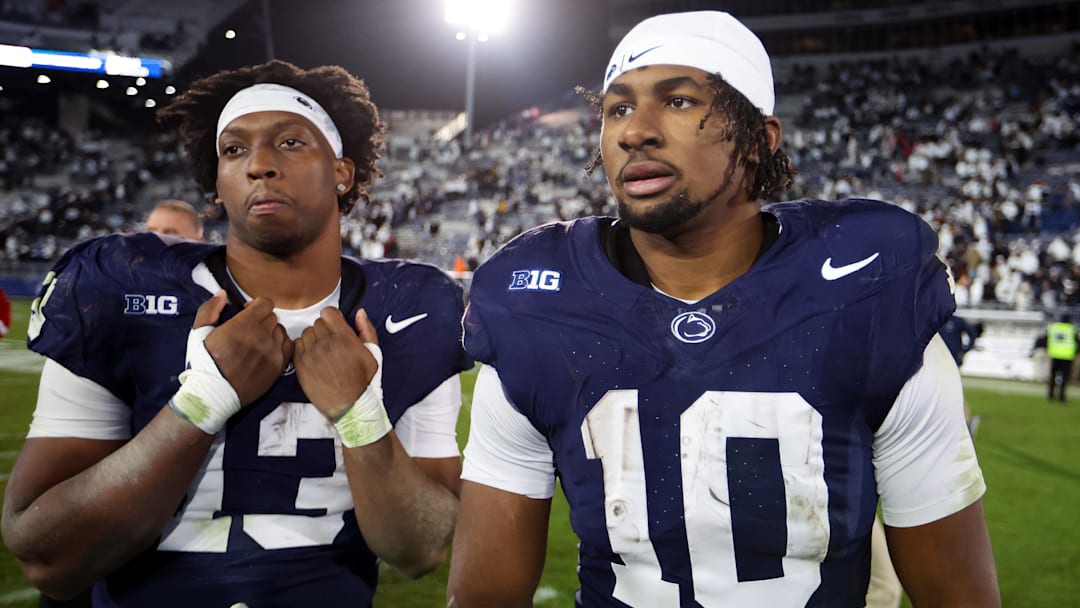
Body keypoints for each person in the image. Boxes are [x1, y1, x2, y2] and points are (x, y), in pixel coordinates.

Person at [447, 11, 999, 607]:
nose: (636, 132)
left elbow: (959, 596)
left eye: (680, 101)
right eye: (618, 109)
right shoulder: (540, 307)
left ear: (762, 138)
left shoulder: (863, 292)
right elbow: (484, 595)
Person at [2, 59, 472, 607]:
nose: (259, 165)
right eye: (234, 149)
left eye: (291, 142)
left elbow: (419, 550)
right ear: (216, 184)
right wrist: (202, 403)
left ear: (342, 172)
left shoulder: (411, 308)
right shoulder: (116, 287)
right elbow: (47, 558)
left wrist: (360, 414)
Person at [1046, 313, 1077, 402]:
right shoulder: (1071, 329)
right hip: (1067, 357)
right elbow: (1077, 342)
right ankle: (1061, 397)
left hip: (1054, 355)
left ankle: (1050, 396)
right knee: (1064, 378)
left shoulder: (1053, 327)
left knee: (1052, 377)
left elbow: (1047, 339)